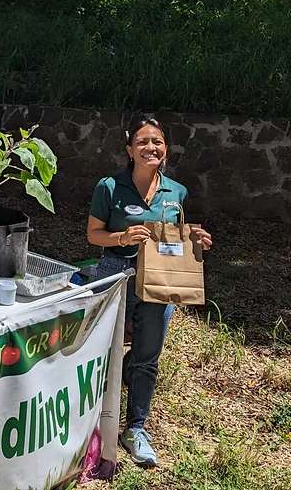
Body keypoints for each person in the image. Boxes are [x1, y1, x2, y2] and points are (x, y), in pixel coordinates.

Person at [86, 117, 213, 467]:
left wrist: (198, 243)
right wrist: (122, 238)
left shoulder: (177, 192)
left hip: (160, 283)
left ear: (166, 149)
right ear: (130, 150)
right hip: (116, 277)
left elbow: (177, 243)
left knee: (146, 357)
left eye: (156, 141)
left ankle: (135, 430)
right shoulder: (110, 187)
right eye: (142, 142)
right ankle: (92, 425)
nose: (150, 148)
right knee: (104, 354)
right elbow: (94, 234)